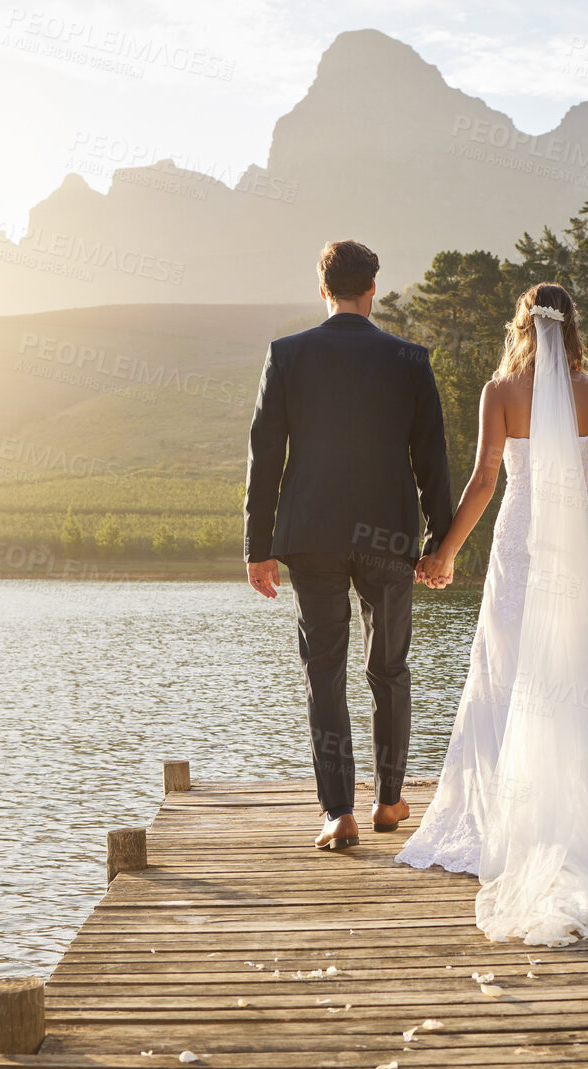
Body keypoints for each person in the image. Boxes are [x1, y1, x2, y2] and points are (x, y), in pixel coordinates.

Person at [398, 282, 588, 946]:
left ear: (520, 326)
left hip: (522, 543)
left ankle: (518, 813)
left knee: (510, 670)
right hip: (583, 549)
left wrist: (445, 554)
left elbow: (485, 480)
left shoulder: (498, 392)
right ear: (571, 328)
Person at [243, 239, 454, 850]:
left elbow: (265, 458)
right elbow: (431, 462)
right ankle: (390, 800)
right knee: (388, 668)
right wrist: (440, 543)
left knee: (324, 672)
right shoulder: (410, 359)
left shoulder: (288, 355)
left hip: (311, 536)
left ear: (323, 288)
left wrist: (258, 546)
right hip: (389, 538)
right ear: (373, 290)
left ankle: (338, 813)